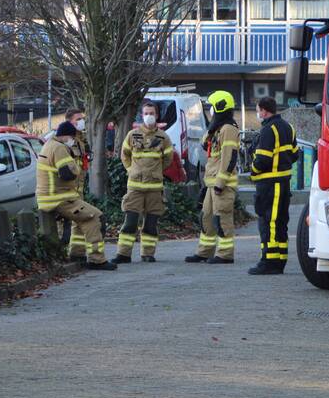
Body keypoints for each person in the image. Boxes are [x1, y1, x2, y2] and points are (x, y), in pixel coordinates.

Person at [36, 121, 115, 270]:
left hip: (51, 197)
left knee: (83, 220)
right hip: (60, 198)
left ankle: (77, 254)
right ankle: (97, 260)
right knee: (95, 217)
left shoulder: (48, 145)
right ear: (66, 135)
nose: (72, 140)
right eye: (72, 137)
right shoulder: (59, 148)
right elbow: (67, 174)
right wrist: (77, 169)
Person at [113, 101, 174, 263]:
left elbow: (168, 159)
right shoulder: (132, 135)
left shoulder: (163, 137)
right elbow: (124, 155)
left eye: (151, 113)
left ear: (157, 115)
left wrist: (156, 171)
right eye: (146, 113)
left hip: (154, 188)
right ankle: (123, 254)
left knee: (151, 224)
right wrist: (130, 170)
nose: (149, 116)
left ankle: (148, 254)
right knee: (130, 222)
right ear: (142, 115)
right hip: (135, 188)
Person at [186, 90, 240, 264]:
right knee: (206, 217)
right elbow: (204, 145)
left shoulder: (229, 129)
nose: (210, 110)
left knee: (222, 217)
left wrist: (221, 182)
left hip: (221, 184)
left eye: (212, 107)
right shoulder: (217, 129)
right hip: (211, 183)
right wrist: (210, 129)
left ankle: (225, 254)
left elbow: (229, 158)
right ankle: (204, 252)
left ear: (220, 107)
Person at [247, 97, 297, 275]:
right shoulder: (288, 127)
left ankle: (268, 261)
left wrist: (252, 170)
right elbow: (295, 154)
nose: (258, 114)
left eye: (258, 110)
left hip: (269, 184)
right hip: (284, 183)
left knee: (268, 222)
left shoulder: (268, 130)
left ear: (264, 110)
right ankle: (280, 260)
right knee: (281, 222)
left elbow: (262, 159)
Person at [64, 108, 90, 262]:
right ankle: (73, 253)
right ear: (69, 121)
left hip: (79, 188)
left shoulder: (80, 138)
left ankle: (77, 253)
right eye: (78, 119)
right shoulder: (65, 140)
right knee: (78, 221)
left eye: (82, 118)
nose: (81, 121)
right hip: (68, 189)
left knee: (79, 222)